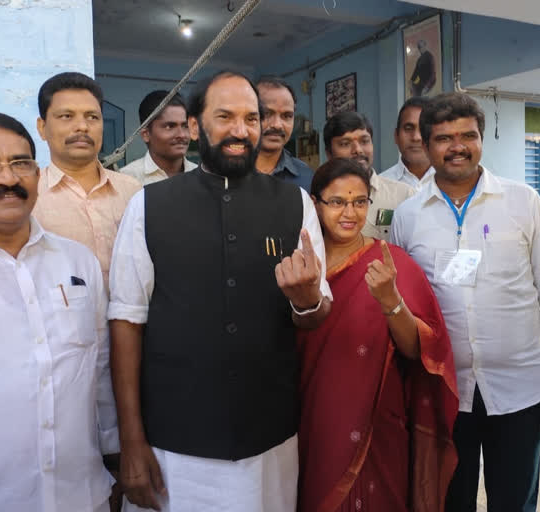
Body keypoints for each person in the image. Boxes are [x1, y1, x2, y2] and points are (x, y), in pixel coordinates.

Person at [108, 70, 332, 512]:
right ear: (195, 127)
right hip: (174, 441)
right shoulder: (149, 207)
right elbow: (126, 322)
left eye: (252, 118)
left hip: (267, 440)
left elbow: (317, 311)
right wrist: (131, 440)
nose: (241, 130)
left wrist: (306, 300)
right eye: (225, 116)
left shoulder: (295, 204)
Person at [391, 92, 540, 511]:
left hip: (519, 391)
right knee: (450, 502)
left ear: (482, 140)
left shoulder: (523, 202)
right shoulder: (409, 216)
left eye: (468, 135)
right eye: (444, 138)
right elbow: (403, 305)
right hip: (444, 393)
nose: (457, 146)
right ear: (426, 147)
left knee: (514, 504)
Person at [0, 112, 118, 511]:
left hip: (82, 497)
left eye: (21, 163)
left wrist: (116, 455)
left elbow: (99, 370)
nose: (7, 178)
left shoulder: (77, 262)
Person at [298, 157, 458, 512]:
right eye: (337, 202)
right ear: (314, 203)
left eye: (359, 202)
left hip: (378, 422)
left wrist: (391, 302)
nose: (349, 213)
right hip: (312, 419)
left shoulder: (392, 262)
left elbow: (420, 350)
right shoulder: (301, 266)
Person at [33, 71, 141, 285]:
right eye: (66, 116)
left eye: (92, 117)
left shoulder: (132, 191)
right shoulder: (30, 197)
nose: (82, 126)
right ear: (42, 128)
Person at [323, 111, 413, 241]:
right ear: (329, 153)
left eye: (364, 141)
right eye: (345, 144)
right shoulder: (321, 200)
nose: (358, 149)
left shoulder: (404, 196)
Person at [120, 90, 197, 185]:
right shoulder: (126, 180)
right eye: (169, 126)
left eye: (185, 126)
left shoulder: (203, 178)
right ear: (146, 134)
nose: (182, 135)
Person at [254, 76, 314, 191]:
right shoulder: (225, 172)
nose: (277, 125)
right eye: (267, 113)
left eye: (287, 116)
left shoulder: (307, 177)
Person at [380, 96, 436, 190]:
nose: (416, 137)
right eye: (408, 128)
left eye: (423, 129)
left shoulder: (454, 182)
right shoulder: (380, 186)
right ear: (396, 136)